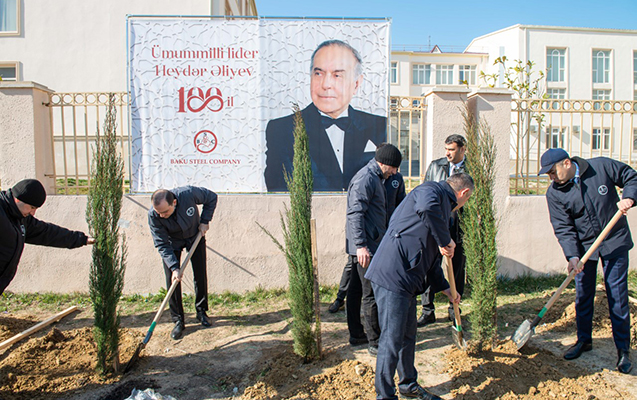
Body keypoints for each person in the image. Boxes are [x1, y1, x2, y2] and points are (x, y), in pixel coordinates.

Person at [365, 173, 472, 400]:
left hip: (407, 280)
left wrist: (446, 288)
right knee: (391, 339)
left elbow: (432, 258)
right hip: (393, 275)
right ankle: (385, 396)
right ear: (464, 193)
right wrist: (445, 239)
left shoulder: (443, 212)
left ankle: (408, 385)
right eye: (468, 199)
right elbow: (425, 207)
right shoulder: (431, 190)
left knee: (407, 335)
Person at [539, 148, 635, 374]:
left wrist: (629, 197)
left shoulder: (600, 167)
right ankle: (584, 340)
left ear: (566, 163)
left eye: (553, 172)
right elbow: (563, 228)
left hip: (614, 239)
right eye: (548, 175)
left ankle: (623, 350)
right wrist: (572, 256)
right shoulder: (554, 193)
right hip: (584, 248)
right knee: (583, 296)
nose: (551, 178)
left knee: (617, 296)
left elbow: (631, 176)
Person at [264, 39, 386, 192]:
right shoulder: (282, 129)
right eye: (318, 73)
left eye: (337, 75)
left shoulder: (379, 126)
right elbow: (278, 187)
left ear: (356, 84)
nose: (326, 84)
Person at [345, 143, 402, 357]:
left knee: (356, 289)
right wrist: (361, 246)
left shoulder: (377, 177)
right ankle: (375, 342)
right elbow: (355, 213)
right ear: (384, 163)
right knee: (370, 293)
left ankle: (357, 334)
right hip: (365, 248)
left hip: (366, 244)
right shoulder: (366, 178)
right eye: (394, 168)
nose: (395, 173)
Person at [328, 169, 405, 313]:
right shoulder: (369, 178)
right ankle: (340, 297)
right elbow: (356, 212)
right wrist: (360, 242)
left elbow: (401, 204)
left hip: (387, 232)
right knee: (353, 269)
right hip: (367, 237)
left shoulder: (396, 179)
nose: (394, 171)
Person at [0, 179, 95, 295]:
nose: (32, 213)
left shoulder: (21, 218)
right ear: (18, 199)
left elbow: (47, 233)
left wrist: (82, 239)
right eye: (32, 207)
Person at [148, 186, 218, 340]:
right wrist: (174, 268)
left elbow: (212, 197)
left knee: (200, 273)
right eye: (159, 213)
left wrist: (205, 221)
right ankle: (178, 320)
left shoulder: (188, 194)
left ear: (174, 202)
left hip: (194, 236)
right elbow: (161, 244)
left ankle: (201, 312)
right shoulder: (154, 215)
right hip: (172, 243)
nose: (162, 216)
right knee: (172, 279)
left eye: (165, 212)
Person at [418, 134, 468, 327]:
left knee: (457, 269)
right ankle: (427, 310)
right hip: (437, 226)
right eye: (446, 149)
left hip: (459, 228)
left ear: (462, 149)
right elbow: (426, 193)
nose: (447, 153)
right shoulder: (435, 166)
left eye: (452, 149)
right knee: (430, 266)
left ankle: (453, 309)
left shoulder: (471, 170)